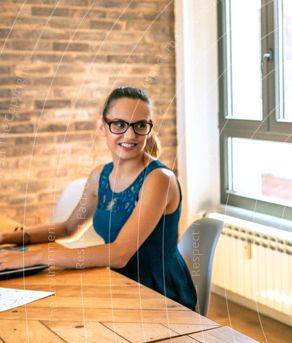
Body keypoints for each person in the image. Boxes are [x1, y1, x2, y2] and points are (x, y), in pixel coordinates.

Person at [0, 86, 196, 311]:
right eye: (119, 125)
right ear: (102, 127)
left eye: (140, 125)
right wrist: (7, 237)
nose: (130, 135)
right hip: (116, 282)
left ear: (149, 128)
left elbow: (120, 254)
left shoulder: (159, 179)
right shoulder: (99, 176)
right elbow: (68, 228)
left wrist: (37, 257)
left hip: (160, 295)